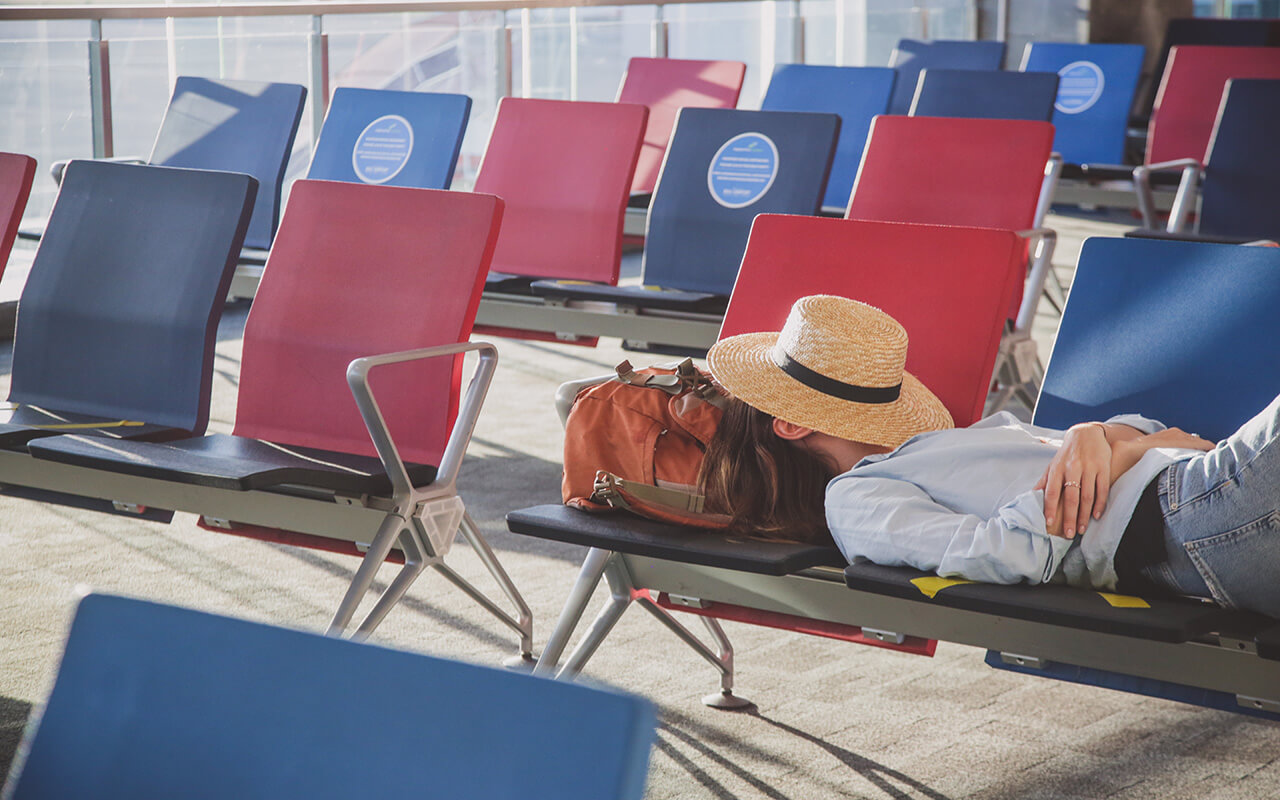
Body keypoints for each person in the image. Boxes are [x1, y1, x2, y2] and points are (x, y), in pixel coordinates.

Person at [699, 294, 1280, 618]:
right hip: (1187, 521)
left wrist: (1100, 433)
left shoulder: (945, 445)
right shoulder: (855, 498)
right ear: (791, 423)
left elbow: (1160, 433)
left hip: (1206, 496)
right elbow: (1007, 552)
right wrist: (1130, 449)